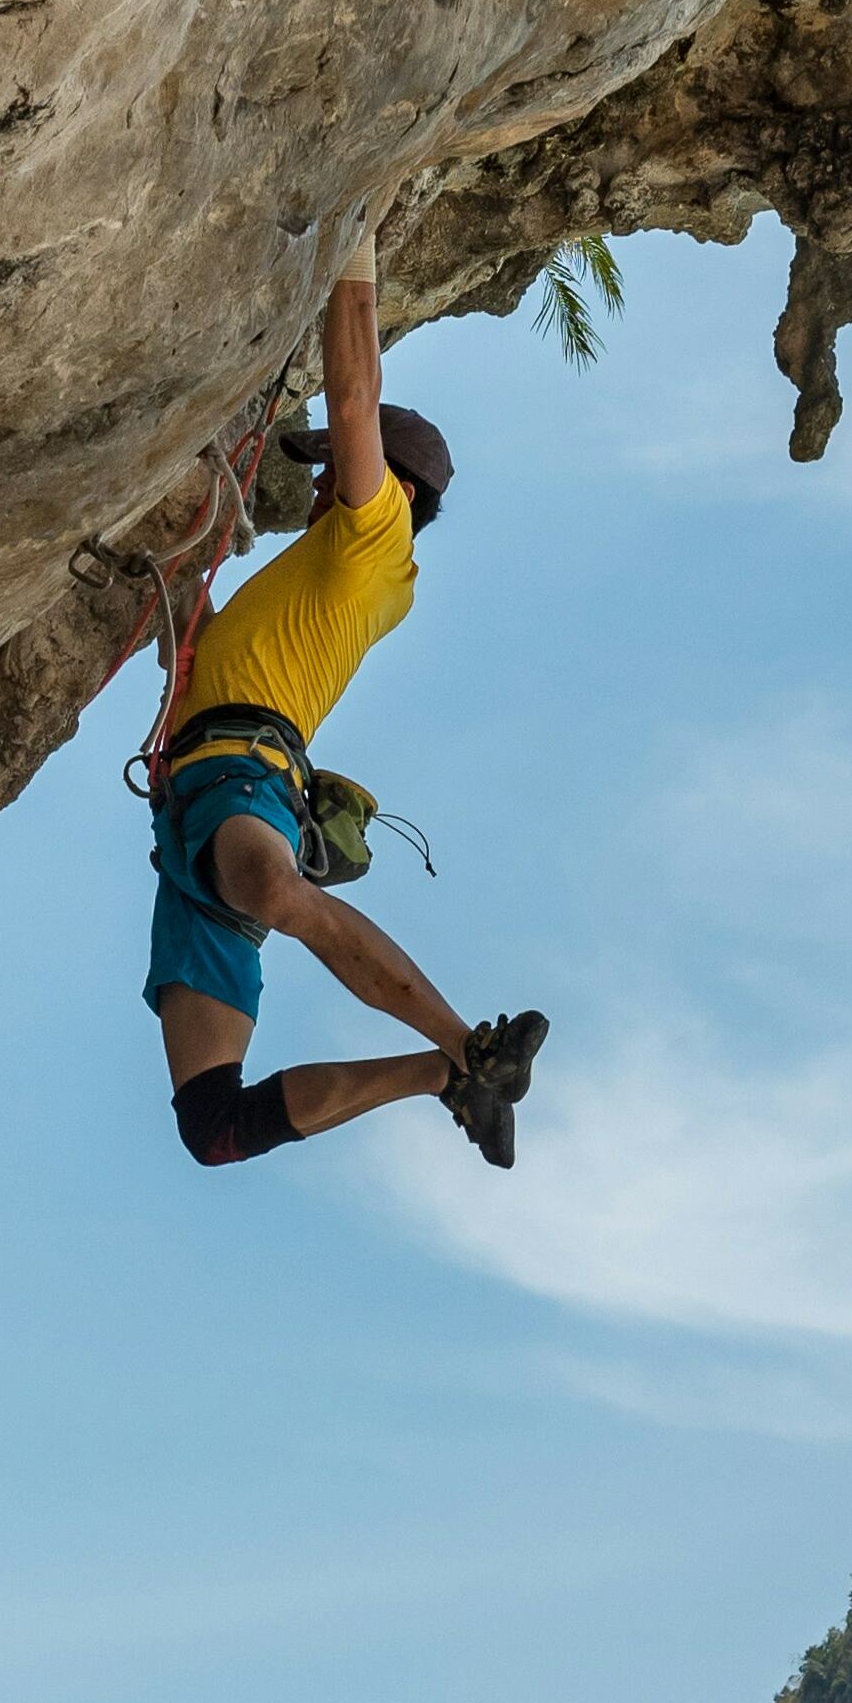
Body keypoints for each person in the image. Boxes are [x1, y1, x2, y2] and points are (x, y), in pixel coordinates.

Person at [145, 226, 544, 1171]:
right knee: (214, 1127)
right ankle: (452, 1079)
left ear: (391, 485)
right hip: (197, 821)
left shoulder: (377, 537)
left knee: (278, 891)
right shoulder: (341, 568)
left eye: (334, 465)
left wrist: (352, 242)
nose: (319, 480)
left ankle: (468, 1046)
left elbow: (355, 390)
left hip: (240, 780)